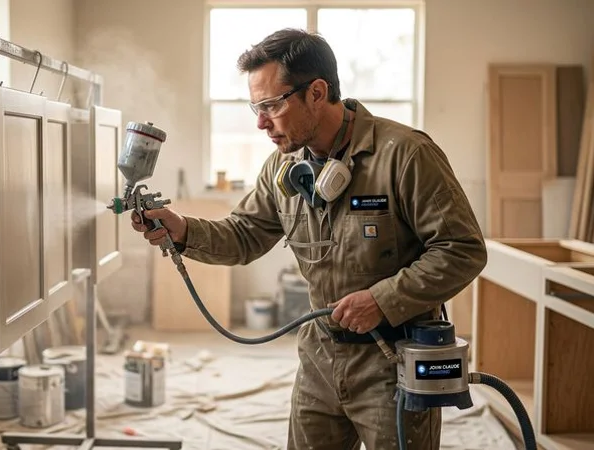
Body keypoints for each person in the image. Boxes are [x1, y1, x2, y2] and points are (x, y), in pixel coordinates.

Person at [131, 28, 487, 450]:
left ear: (317, 92)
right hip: (319, 358)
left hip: (392, 361)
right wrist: (183, 229)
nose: (261, 122)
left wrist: (383, 300)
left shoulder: (405, 154)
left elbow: (462, 249)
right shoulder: (282, 169)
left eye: (272, 105)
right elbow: (244, 235)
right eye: (255, 107)